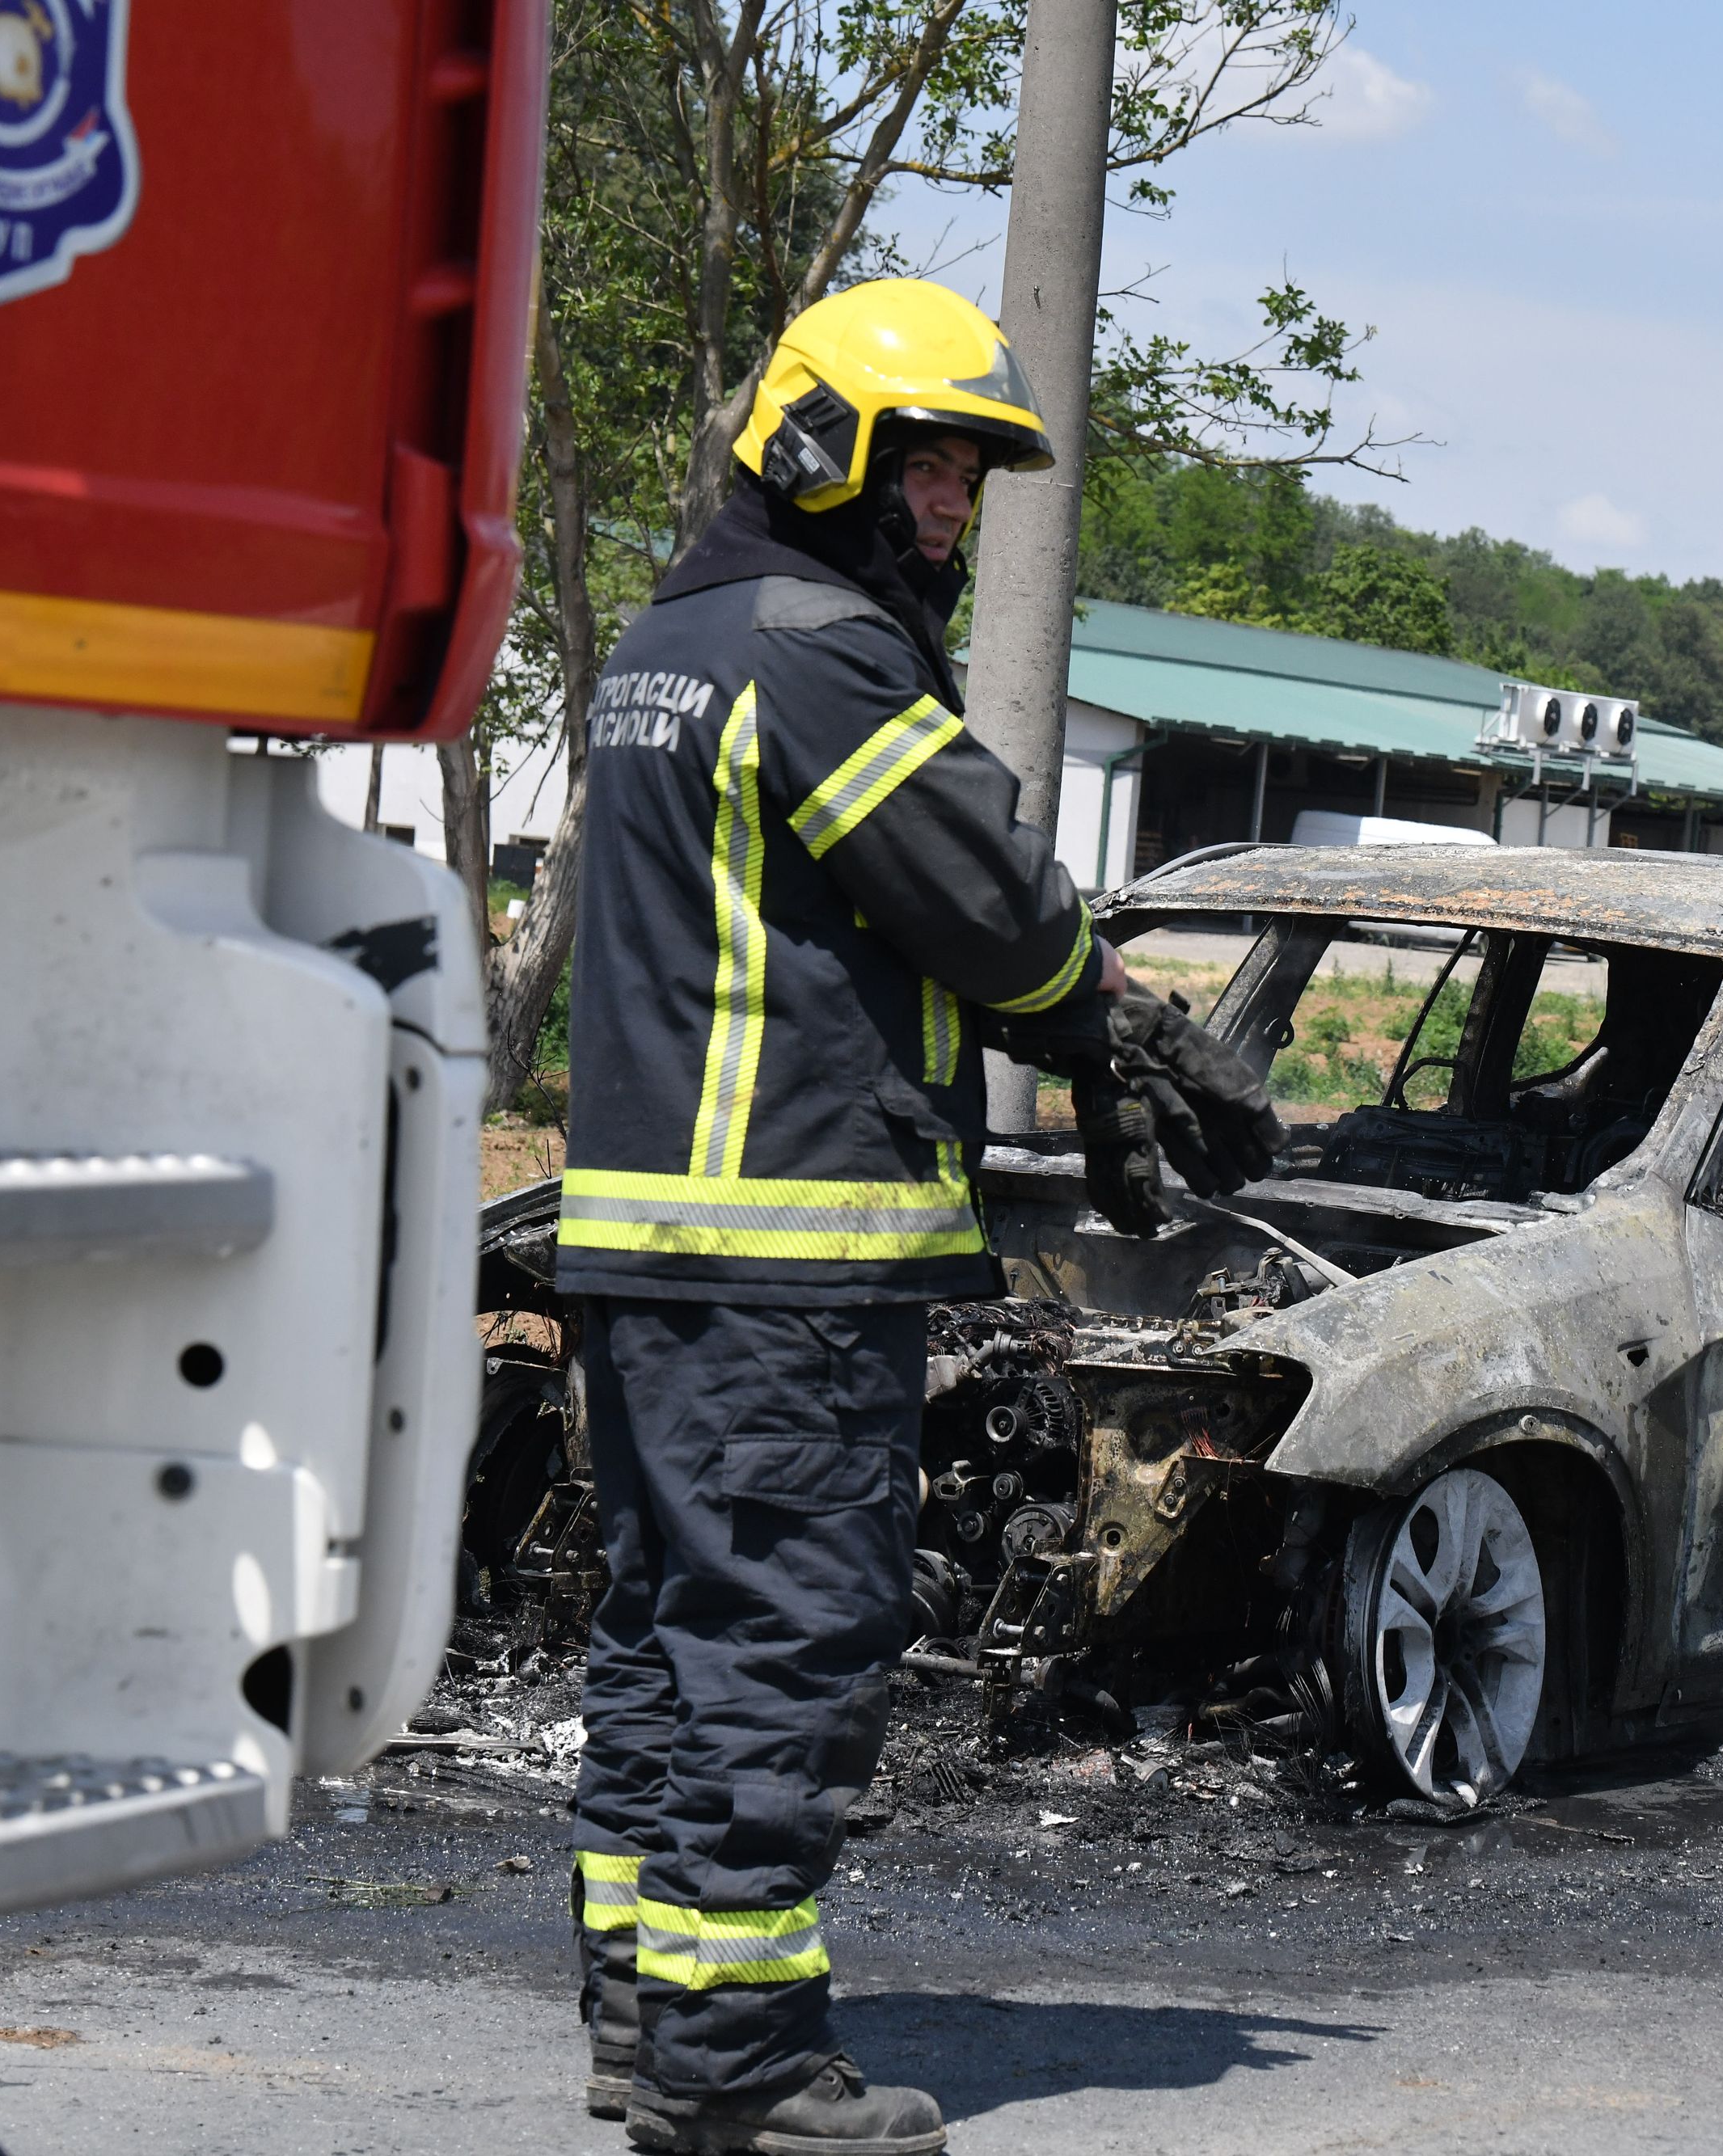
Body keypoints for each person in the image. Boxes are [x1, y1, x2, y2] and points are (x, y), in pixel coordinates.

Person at [555, 277, 1279, 2153]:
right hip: (785, 1244)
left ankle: (648, 2013)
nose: (955, 504)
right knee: (791, 1624)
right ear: (821, 449)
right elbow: (985, 894)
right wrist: (1118, 1025)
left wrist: (1080, 1069)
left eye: (969, 470)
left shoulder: (672, 633)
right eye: (934, 461)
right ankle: (738, 2065)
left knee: (667, 1628)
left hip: (648, 1243)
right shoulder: (818, 645)